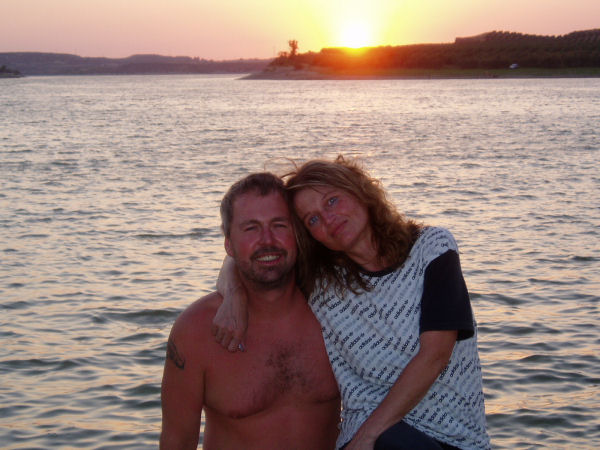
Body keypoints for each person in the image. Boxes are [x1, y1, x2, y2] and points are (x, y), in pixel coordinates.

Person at [213, 156, 491, 450]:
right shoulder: (322, 283)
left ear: (359, 189)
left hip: (453, 439)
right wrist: (234, 295)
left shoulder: (431, 249)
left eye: (332, 201)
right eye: (313, 219)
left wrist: (369, 435)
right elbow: (250, 257)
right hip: (372, 441)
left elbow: (434, 355)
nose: (328, 219)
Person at [160, 173, 340, 449]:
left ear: (297, 234)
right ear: (228, 244)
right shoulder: (196, 331)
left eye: (279, 225)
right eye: (251, 228)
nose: (267, 240)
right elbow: (177, 441)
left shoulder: (335, 312)